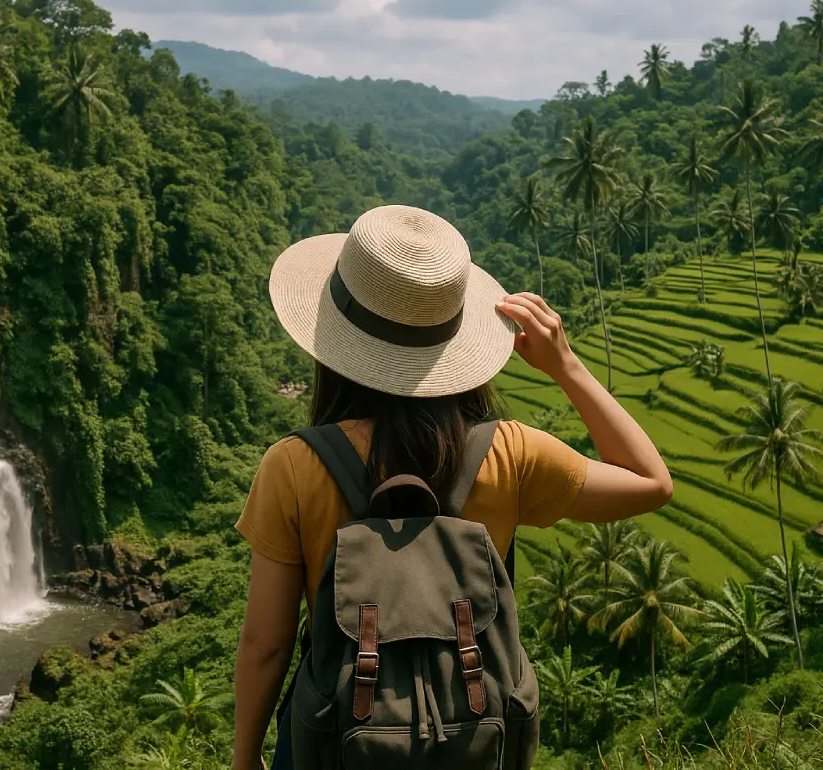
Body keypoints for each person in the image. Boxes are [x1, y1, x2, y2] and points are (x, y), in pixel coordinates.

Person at [231, 205, 672, 770]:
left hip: (339, 740)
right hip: (471, 737)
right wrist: (567, 366)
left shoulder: (293, 466)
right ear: (454, 341)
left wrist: (245, 759)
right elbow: (652, 483)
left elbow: (265, 646)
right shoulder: (512, 453)